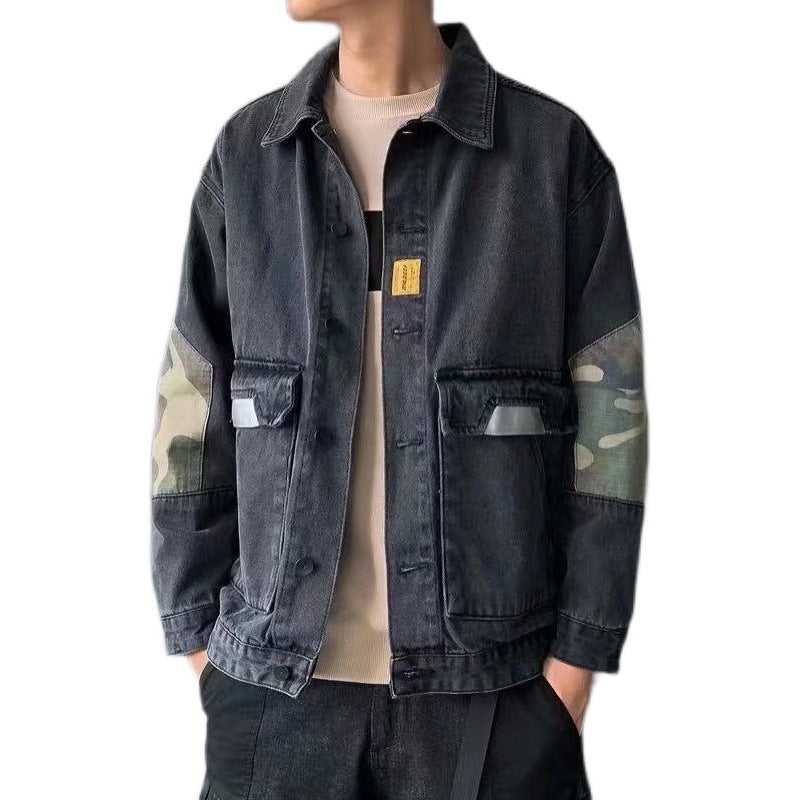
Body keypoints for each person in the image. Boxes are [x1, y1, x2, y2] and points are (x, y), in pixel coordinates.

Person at [149, 1, 648, 797]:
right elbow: (191, 404)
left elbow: (612, 420)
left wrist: (572, 672)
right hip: (274, 694)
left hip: (496, 690)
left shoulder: (549, 157)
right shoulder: (250, 157)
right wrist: (206, 650)